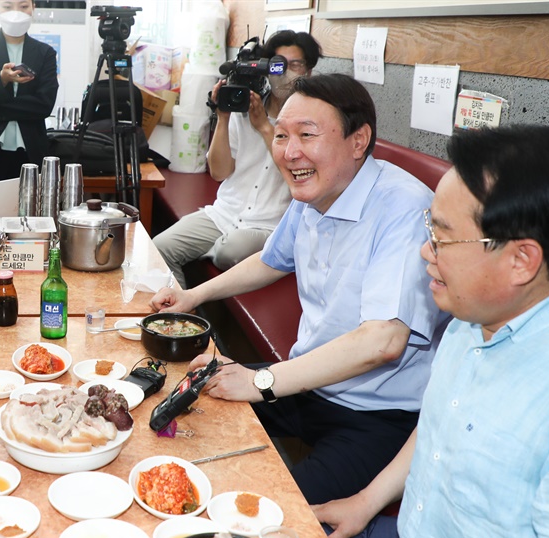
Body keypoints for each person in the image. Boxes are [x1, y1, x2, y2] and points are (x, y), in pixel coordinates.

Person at [311, 125, 549, 538]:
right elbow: (442, 421)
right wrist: (365, 502)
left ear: (521, 260)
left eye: (441, 237)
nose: (426, 251)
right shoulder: (477, 312)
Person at [151, 74, 446, 505]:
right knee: (187, 390)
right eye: (283, 135)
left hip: (378, 416)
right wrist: (194, 296)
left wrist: (262, 380)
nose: (289, 152)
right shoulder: (315, 192)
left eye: (307, 135)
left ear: (358, 140)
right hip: (307, 383)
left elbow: (383, 341)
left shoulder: (403, 208)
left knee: (272, 514)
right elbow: (270, 260)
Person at [153, 31, 320, 289]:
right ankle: (182, 318)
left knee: (228, 251)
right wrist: (223, 115)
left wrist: (265, 128)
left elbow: (299, 179)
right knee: (159, 250)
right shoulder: (244, 106)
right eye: (278, 64)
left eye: (294, 65)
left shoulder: (313, 124)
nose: (285, 72)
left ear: (308, 72)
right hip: (223, 214)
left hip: (269, 225)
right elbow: (219, 172)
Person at [0, 0, 58, 190]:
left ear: (33, 8)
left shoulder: (45, 52)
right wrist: (1, 80)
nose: (16, 13)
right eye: (7, 7)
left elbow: (44, 105)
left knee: (28, 213)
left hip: (30, 151)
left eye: (23, 6)